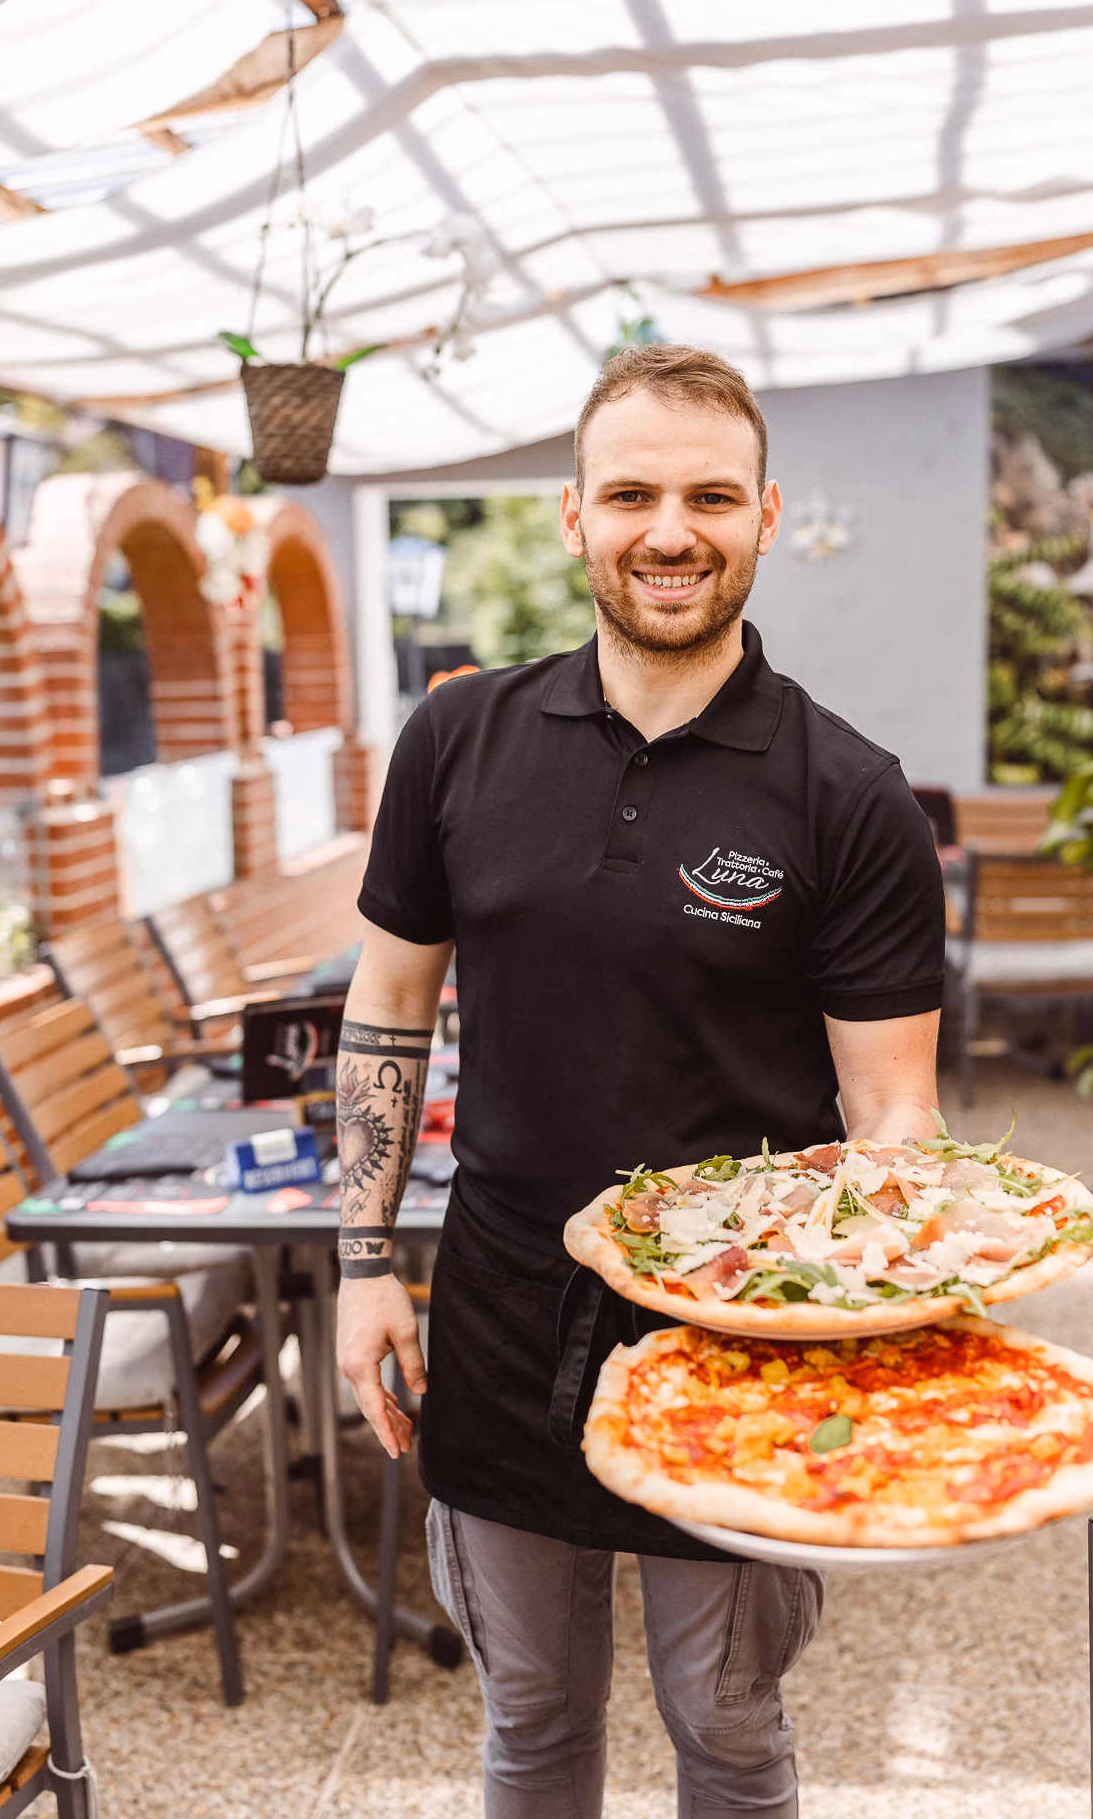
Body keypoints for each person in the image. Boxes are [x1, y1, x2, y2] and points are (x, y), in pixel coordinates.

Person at [336, 344, 945, 1818]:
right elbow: (387, 1007)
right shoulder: (456, 739)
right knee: (531, 1721)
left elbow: (891, 1109)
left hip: (734, 1335)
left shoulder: (848, 794)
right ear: (571, 517)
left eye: (708, 496)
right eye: (632, 494)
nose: (669, 530)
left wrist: (899, 1303)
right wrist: (359, 1262)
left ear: (766, 514)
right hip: (494, 1308)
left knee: (725, 1727)